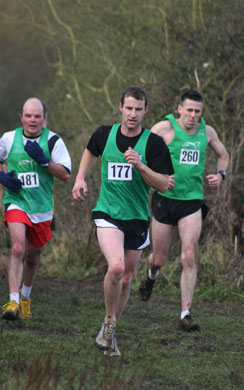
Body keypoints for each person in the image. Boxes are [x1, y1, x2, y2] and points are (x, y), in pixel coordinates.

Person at [72, 86, 174, 356]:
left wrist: (141, 166)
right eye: (128, 108)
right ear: (120, 107)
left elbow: (164, 184)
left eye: (138, 109)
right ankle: (108, 323)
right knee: (116, 268)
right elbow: (90, 151)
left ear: (146, 111)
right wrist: (81, 177)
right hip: (107, 213)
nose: (133, 114)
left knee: (127, 279)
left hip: (138, 219)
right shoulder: (104, 134)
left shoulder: (153, 144)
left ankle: (110, 334)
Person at [139, 90, 229, 331]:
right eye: (188, 110)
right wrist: (153, 175)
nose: (193, 116)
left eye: (197, 112)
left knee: (188, 255)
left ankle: (185, 313)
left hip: (192, 201)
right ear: (179, 109)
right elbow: (140, 150)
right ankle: (151, 275)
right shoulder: (164, 129)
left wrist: (221, 175)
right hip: (164, 199)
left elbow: (223, 155)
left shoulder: (206, 132)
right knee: (159, 258)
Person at [0, 97, 71, 321]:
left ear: (44, 118)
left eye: (37, 116)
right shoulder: (9, 138)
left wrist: (44, 161)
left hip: (42, 207)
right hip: (16, 200)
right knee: (17, 248)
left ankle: (25, 298)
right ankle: (13, 302)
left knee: (32, 256)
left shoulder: (53, 141)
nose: (32, 120)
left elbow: (65, 174)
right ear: (21, 117)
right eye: (28, 116)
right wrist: (3, 177)